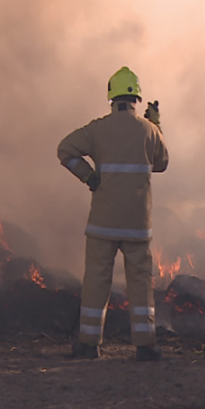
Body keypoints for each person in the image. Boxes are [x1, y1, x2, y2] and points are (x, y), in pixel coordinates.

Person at [57, 66, 169, 361]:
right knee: (141, 282)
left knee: (96, 280)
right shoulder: (149, 131)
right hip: (137, 225)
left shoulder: (97, 129)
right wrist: (156, 125)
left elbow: (64, 150)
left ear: (111, 97)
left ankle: (88, 344)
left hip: (103, 223)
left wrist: (89, 176)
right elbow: (161, 163)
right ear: (137, 98)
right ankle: (146, 346)